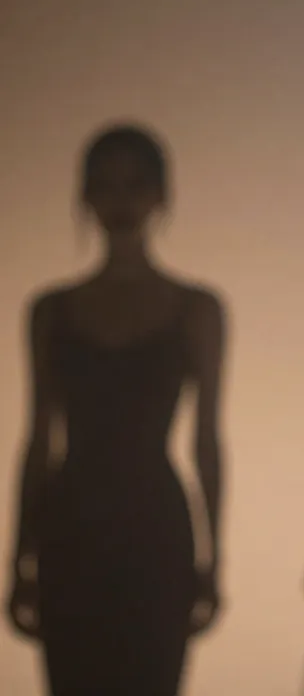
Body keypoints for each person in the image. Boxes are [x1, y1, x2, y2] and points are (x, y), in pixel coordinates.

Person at [5, 124, 226, 695]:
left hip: (155, 529)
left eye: (134, 185)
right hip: (71, 530)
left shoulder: (197, 310)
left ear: (159, 196)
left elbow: (206, 441)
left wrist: (213, 557)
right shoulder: (51, 311)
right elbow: (38, 439)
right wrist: (19, 557)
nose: (121, 202)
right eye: (105, 186)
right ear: (86, 198)